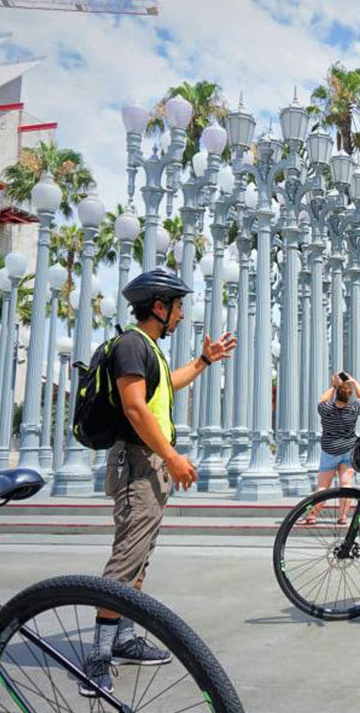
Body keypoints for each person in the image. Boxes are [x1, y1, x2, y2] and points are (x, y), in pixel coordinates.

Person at [81, 269, 237, 697]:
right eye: (178, 306)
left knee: (140, 556)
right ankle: (98, 654)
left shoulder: (147, 349)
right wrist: (172, 457)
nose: (183, 315)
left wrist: (205, 362)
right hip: (138, 463)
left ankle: (125, 637)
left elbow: (166, 386)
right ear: (158, 306)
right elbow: (135, 409)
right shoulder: (132, 345)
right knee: (125, 558)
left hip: (150, 463)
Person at [298, 372, 360, 526]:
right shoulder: (353, 409)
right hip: (348, 450)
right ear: (349, 396)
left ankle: (312, 516)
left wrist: (334, 386)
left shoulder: (326, 409)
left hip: (329, 451)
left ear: (337, 394)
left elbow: (322, 399)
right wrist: (354, 383)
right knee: (346, 483)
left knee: (322, 487)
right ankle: (342, 517)